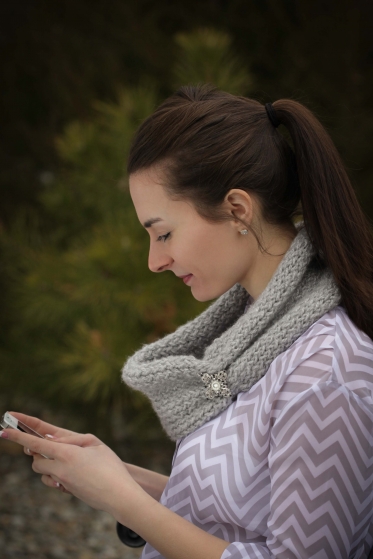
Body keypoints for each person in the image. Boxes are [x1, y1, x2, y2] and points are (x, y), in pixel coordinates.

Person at [1, 84, 373, 559]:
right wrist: (111, 475)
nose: (154, 261)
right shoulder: (244, 345)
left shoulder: (326, 373)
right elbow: (236, 514)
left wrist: (123, 500)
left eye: (164, 233)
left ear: (237, 209)